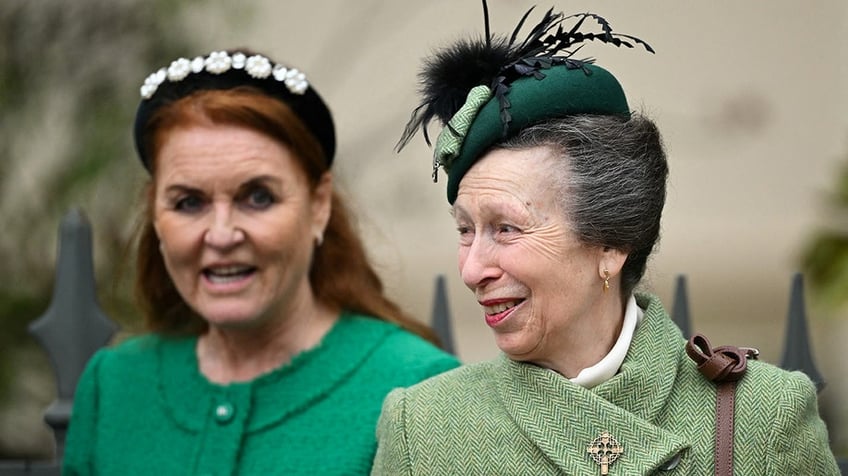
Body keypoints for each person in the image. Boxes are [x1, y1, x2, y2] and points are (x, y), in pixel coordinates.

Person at [372, 5, 840, 475]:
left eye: (506, 228)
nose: (473, 270)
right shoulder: (425, 429)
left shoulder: (764, 419)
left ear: (611, 244)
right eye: (465, 230)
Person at [62, 48, 459, 475]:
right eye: (189, 202)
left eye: (258, 197)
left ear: (318, 204)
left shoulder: (420, 390)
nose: (221, 235)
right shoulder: (115, 385)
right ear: (155, 214)